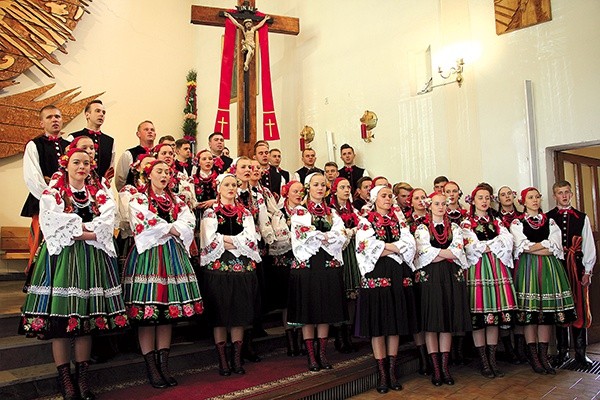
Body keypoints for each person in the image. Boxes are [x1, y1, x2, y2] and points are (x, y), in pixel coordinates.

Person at [19, 148, 128, 400]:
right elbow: (54, 225)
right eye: (77, 162)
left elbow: (107, 222)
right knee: (62, 320)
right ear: (66, 165)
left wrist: (81, 229)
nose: (82, 166)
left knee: (85, 321)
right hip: (63, 261)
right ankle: (65, 379)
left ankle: (82, 378)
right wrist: (90, 231)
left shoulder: (98, 193)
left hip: (91, 260)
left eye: (87, 163)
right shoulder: (53, 193)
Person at [122, 160, 203, 389]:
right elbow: (144, 222)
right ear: (148, 175)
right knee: (148, 314)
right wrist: (171, 228)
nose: (164, 175)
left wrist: (172, 228)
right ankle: (151, 366)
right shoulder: (139, 198)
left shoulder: (176, 200)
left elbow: (188, 221)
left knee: (167, 313)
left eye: (167, 172)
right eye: (159, 171)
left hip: (172, 258)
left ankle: (164, 365)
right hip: (148, 257)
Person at [355, 185, 418, 393]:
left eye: (390, 196)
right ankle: (381, 373)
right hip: (377, 273)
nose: (388, 199)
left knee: (394, 323)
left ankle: (391, 371)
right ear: (374, 199)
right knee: (378, 325)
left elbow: (410, 244)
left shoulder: (398, 221)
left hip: (397, 274)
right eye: (384, 196)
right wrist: (394, 247)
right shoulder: (366, 221)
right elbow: (365, 247)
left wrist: (384, 246)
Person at [510, 187, 576, 375]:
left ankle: (544, 355)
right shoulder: (517, 222)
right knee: (531, 313)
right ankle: (534, 358)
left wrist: (534, 248)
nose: (535, 200)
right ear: (523, 201)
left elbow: (555, 247)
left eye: (537, 197)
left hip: (548, 269)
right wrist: (543, 246)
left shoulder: (551, 221)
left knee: (546, 314)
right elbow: (521, 246)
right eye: (530, 197)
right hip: (528, 269)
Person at [200, 173, 262, 376]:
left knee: (239, 313)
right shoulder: (210, 213)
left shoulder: (245, 213)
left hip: (242, 270)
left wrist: (226, 240)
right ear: (219, 188)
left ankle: (236, 358)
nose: (231, 188)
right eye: (226, 184)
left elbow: (251, 238)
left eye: (234, 185)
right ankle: (222, 360)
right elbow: (210, 239)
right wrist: (237, 241)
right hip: (217, 270)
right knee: (220, 314)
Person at [288, 172, 348, 372]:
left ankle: (322, 353)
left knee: (325, 310)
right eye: (316, 184)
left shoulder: (332, 212)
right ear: (308, 188)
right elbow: (302, 234)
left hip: (328, 264)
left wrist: (323, 236)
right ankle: (311, 355)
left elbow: (341, 234)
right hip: (308, 264)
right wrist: (326, 236)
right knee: (309, 310)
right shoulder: (299, 211)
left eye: (323, 185)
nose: (320, 188)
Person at [414, 192, 471, 386]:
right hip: (430, 278)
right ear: (429, 206)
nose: (440, 207)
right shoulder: (422, 228)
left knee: (446, 321)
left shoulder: (454, 227)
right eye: (437, 204)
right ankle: (436, 369)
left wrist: (437, 253)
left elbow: (458, 251)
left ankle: (445, 368)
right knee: (432, 322)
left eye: (443, 204)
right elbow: (422, 252)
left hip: (449, 277)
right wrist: (445, 253)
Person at [462, 185, 517, 378]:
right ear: (473, 200)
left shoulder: (497, 221)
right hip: (477, 269)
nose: (484, 201)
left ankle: (493, 360)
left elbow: (508, 240)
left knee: (493, 315)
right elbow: (470, 246)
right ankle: (484, 362)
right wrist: (492, 245)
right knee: (479, 316)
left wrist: (488, 245)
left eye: (487, 198)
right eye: (480, 198)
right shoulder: (466, 223)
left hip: (496, 269)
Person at [546, 181, 596, 369]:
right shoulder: (548, 217)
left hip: (576, 267)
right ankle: (562, 352)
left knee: (579, 307)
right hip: (557, 267)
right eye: (560, 193)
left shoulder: (582, 217)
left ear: (571, 194)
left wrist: (588, 270)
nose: (564, 196)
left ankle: (581, 353)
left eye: (567, 192)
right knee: (560, 306)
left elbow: (589, 245)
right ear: (555, 195)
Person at [21, 105, 70, 270]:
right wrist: (50, 199)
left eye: (57, 116)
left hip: (69, 202)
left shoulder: (71, 145)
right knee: (40, 245)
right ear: (41, 123)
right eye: (49, 117)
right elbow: (32, 177)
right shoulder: (34, 145)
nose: (54, 120)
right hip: (43, 203)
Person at [268, 180, 302, 356]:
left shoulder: (305, 211)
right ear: (286, 193)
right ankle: (291, 341)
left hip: (301, 259)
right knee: (287, 302)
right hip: (284, 261)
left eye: (301, 192)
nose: (298, 195)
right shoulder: (278, 213)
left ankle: (302, 339)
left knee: (301, 300)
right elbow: (277, 238)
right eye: (295, 191)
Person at [329, 177, 360, 354]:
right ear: (335, 190)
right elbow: (339, 233)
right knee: (340, 294)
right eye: (342, 187)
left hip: (352, 253)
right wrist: (353, 231)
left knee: (352, 295)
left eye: (348, 187)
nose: (347, 190)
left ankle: (348, 334)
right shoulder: (331, 210)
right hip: (340, 253)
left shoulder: (353, 209)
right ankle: (340, 336)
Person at [69, 99, 115, 180]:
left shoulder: (110, 141)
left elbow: (111, 167)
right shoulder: (73, 137)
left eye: (103, 112)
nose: (101, 114)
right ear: (87, 115)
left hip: (101, 187)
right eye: (97, 111)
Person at [115, 121, 156, 191]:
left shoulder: (160, 154)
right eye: (146, 129)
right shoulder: (129, 154)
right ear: (138, 134)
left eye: (152, 130)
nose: (150, 132)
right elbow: (120, 180)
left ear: (155, 135)